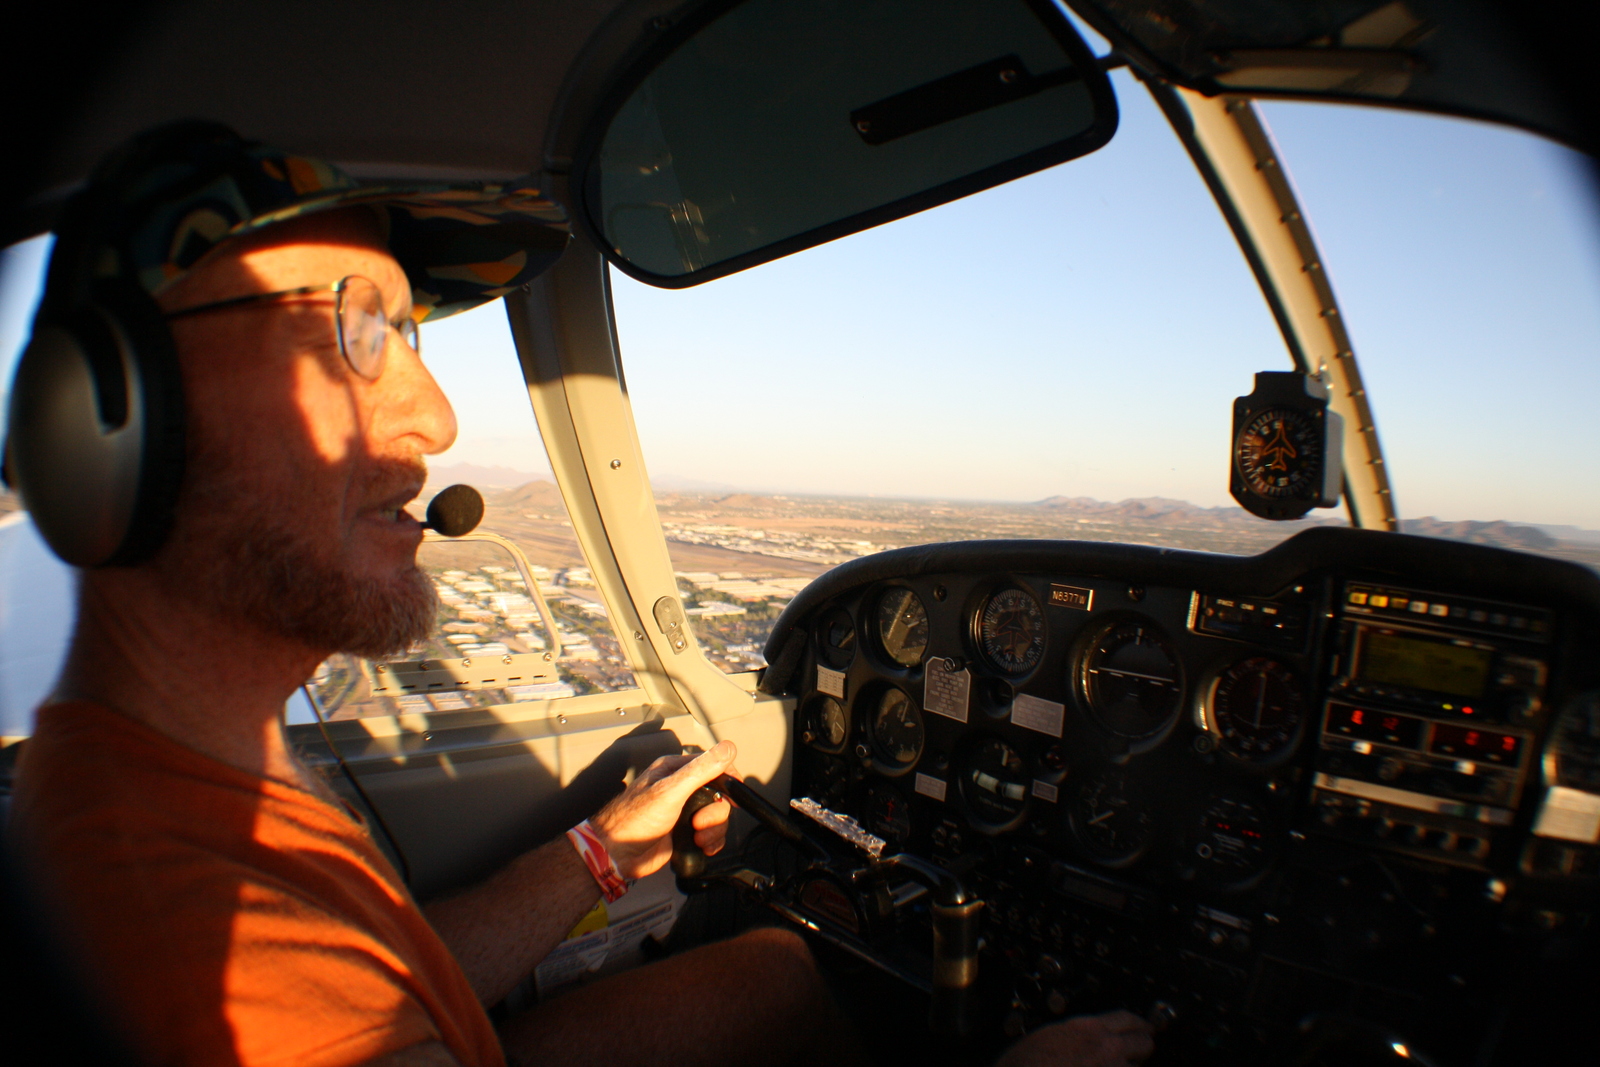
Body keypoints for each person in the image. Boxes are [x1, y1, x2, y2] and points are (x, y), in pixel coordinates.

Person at [4, 123, 1152, 1067]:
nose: (435, 417)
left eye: (408, 331)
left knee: (773, 973)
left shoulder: (176, 764)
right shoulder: (203, 955)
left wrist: (601, 850)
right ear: (107, 423)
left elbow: (391, 976)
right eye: (349, 333)